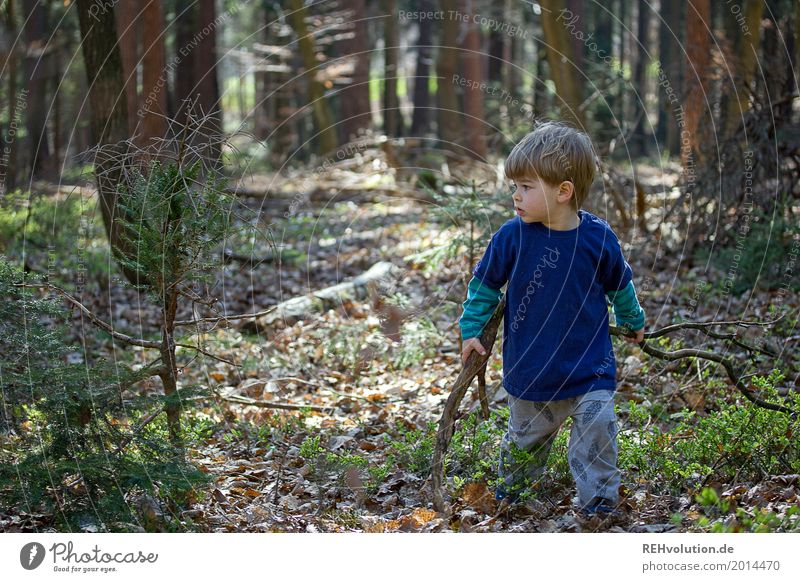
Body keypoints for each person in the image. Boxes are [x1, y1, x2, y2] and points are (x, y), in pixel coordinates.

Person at [459, 121, 646, 520]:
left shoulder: (598, 238)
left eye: (526, 187)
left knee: (597, 434)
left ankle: (598, 507)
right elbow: (484, 287)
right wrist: (472, 331)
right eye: (515, 186)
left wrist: (632, 319)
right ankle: (510, 501)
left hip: (589, 367)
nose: (515, 195)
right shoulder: (512, 237)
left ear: (563, 191)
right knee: (525, 443)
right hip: (532, 369)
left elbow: (620, 286)